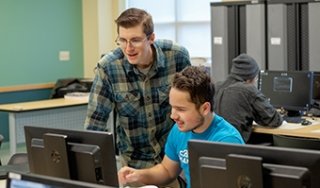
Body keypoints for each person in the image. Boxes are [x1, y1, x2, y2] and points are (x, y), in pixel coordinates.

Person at [84, 7, 191, 170]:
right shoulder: (108, 68)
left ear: (151, 38)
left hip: (175, 159)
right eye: (122, 40)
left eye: (135, 40)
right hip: (135, 164)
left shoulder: (177, 57)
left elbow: (192, 107)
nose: (128, 48)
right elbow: (95, 124)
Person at [118, 66, 244, 188]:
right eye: (172, 107)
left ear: (205, 108)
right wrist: (138, 175)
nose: (173, 115)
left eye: (181, 109)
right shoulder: (180, 129)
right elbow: (167, 171)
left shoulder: (227, 141)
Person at [214, 53, 283, 143]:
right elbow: (274, 120)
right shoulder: (248, 90)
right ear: (250, 78)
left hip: (213, 145)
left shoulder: (216, 87)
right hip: (235, 147)